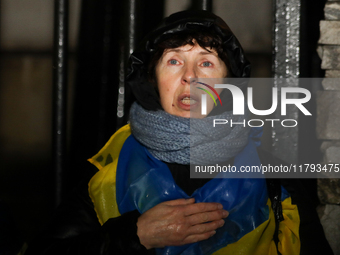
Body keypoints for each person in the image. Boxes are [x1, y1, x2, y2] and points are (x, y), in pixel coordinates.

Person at [24, 10, 332, 255]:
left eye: (207, 63)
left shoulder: (272, 175)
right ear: (152, 80)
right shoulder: (108, 174)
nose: (190, 77)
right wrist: (134, 235)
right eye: (174, 61)